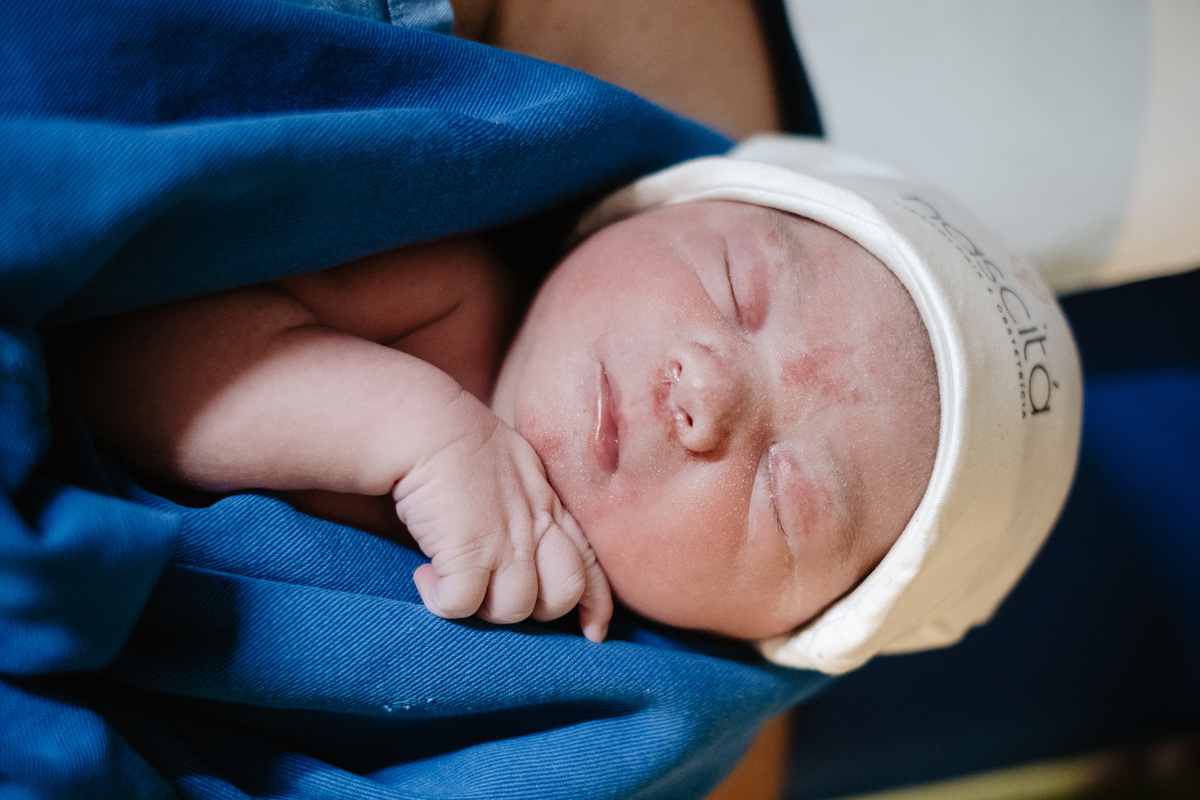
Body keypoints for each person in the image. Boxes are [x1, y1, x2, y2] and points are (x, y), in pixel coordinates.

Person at [70, 135, 1082, 674]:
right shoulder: (449, 294)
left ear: (766, 633)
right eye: (738, 283)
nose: (710, 390)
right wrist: (416, 427)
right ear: (673, 202)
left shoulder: (578, 661)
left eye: (791, 494)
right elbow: (111, 359)